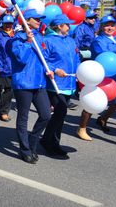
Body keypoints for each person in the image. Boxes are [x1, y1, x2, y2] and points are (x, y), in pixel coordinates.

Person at [77, 15, 116, 148]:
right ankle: (82, 127)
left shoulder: (115, 40)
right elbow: (107, 56)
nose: (110, 28)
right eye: (107, 25)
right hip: (101, 78)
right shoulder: (98, 41)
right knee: (91, 105)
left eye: (112, 25)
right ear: (101, 27)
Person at [8, 9, 52, 164]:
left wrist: (51, 70)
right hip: (24, 83)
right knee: (23, 117)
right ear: (26, 20)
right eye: (36, 19)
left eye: (40, 19)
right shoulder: (16, 39)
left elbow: (45, 58)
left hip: (39, 83)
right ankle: (25, 149)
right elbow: (21, 59)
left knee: (46, 115)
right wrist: (27, 42)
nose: (39, 21)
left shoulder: (40, 37)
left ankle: (32, 142)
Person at [41, 14, 80, 159]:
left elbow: (77, 59)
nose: (69, 27)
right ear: (59, 26)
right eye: (67, 24)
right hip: (55, 84)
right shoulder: (48, 41)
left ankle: (53, 142)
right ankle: (48, 141)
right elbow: (43, 61)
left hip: (69, 83)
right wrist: (55, 69)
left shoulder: (70, 40)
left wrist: (81, 71)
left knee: (61, 115)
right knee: (60, 112)